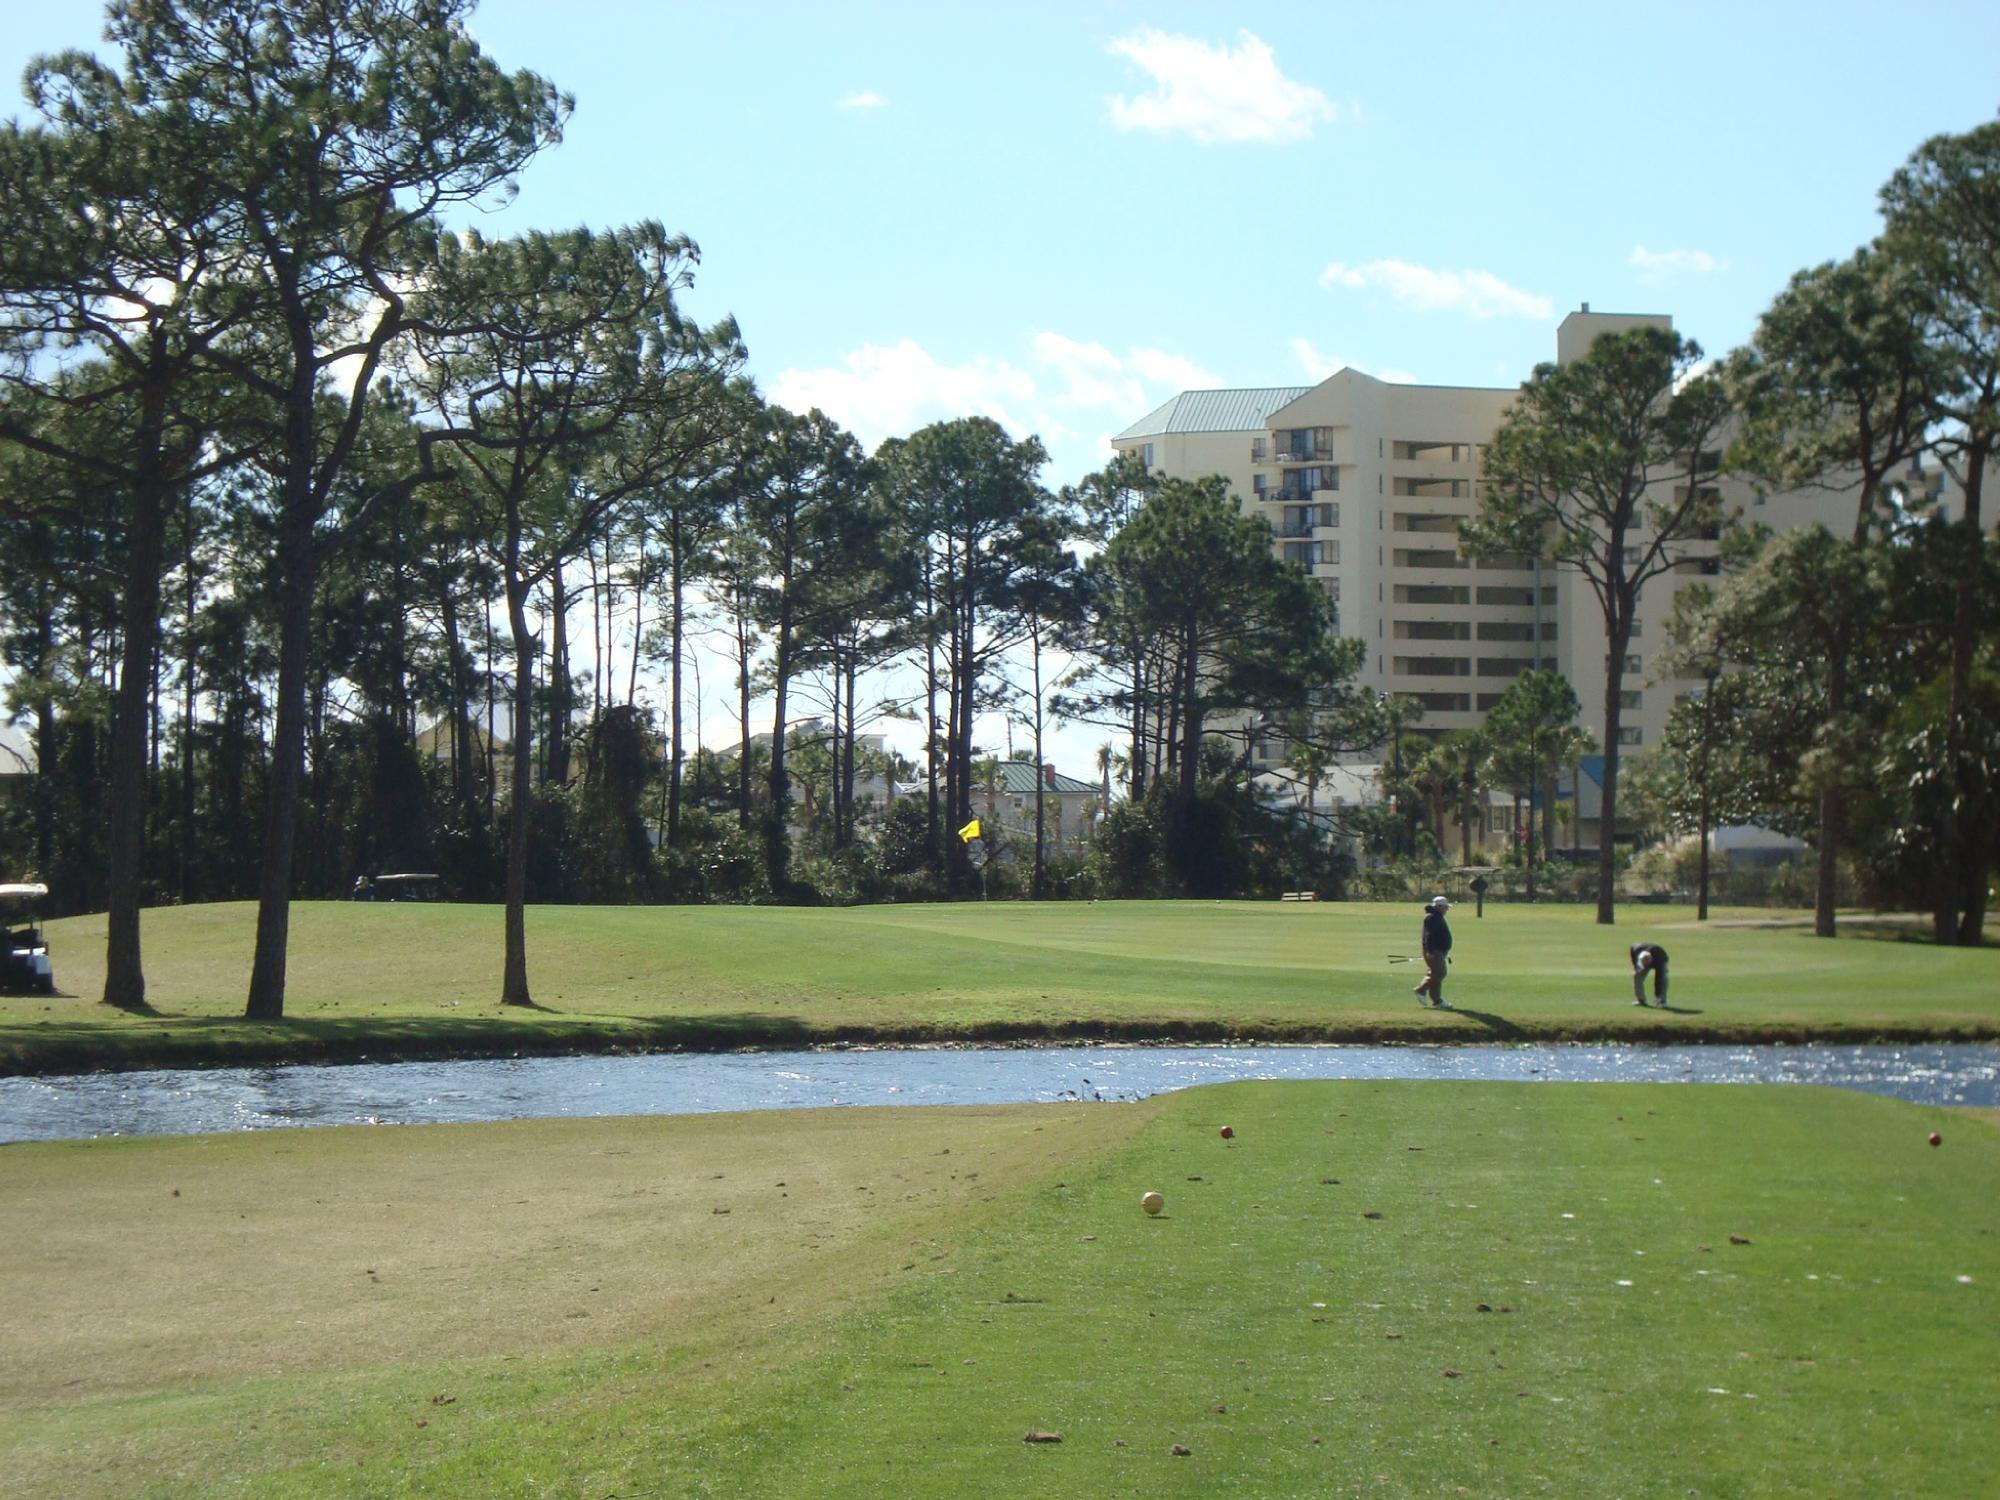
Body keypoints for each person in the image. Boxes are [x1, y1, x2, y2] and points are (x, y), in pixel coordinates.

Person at [1413, 896, 1453, 1009]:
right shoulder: (1432, 918)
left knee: (1437, 974)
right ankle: (1420, 990)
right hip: (1434, 951)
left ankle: (1437, 1001)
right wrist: (1432, 951)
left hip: (1438, 951)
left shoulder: (1436, 916)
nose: (1447, 910)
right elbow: (1429, 937)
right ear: (1439, 907)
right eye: (1445, 907)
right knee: (1440, 973)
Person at [1630, 941, 1669, 1007]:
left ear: (1650, 961)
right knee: (1637, 976)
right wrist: (1636, 967)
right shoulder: (1635, 949)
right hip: (1646, 956)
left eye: (1647, 964)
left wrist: (1657, 994)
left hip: (1661, 957)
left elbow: (1658, 979)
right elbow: (1634, 959)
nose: (1646, 966)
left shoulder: (1659, 960)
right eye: (1644, 964)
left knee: (1663, 979)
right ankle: (1641, 1000)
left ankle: (1661, 1000)